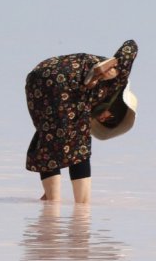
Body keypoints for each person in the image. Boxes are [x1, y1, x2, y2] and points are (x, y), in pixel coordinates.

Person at [25, 40, 138, 204]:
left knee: (48, 137)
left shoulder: (89, 103)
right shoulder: (119, 81)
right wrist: (116, 65)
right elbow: (131, 45)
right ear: (118, 107)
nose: (103, 119)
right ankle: (82, 204)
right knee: (78, 146)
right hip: (69, 79)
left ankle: (51, 199)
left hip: (37, 78)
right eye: (110, 118)